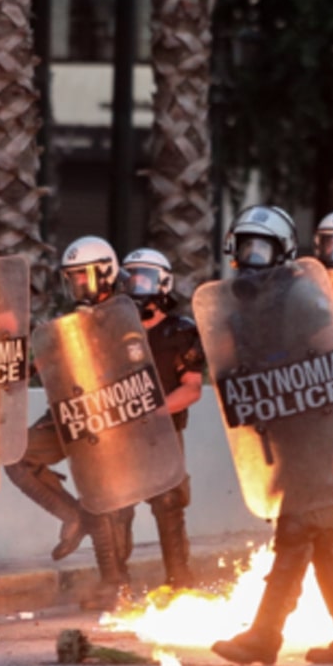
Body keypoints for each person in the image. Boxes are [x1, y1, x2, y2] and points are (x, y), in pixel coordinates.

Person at [210, 205, 333, 666]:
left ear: (283, 252)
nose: (252, 258)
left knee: (296, 531)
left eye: (261, 248)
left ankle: (265, 635)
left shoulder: (303, 298)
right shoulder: (243, 309)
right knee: (324, 535)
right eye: (245, 247)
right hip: (290, 436)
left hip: (318, 430)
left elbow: (332, 361)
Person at [6, 237, 138, 607]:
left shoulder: (128, 313)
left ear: (107, 274)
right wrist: (29, 366)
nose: (78, 285)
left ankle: (115, 584)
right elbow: (52, 359)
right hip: (67, 412)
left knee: (107, 497)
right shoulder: (73, 319)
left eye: (85, 277)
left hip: (111, 415)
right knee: (16, 454)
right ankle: (72, 516)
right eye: (73, 278)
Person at [99, 248, 204, 591]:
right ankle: (116, 585)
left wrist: (152, 415)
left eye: (144, 279)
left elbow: (191, 389)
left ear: (163, 284)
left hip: (164, 434)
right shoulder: (113, 328)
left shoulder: (181, 331)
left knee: (169, 505)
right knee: (116, 507)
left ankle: (180, 582)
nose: (135, 287)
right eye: (129, 279)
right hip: (121, 437)